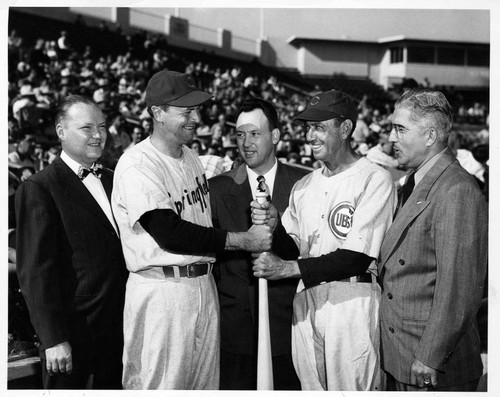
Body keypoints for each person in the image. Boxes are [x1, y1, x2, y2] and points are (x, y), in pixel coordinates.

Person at [111, 70, 273, 390]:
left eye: (197, 109)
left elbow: (203, 225)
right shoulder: (138, 164)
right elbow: (171, 233)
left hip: (201, 286)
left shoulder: (190, 157)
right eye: (186, 111)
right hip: (162, 291)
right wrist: (245, 240)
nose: (196, 118)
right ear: (157, 113)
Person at [251, 90, 396, 390]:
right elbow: (292, 248)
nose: (310, 135)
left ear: (345, 129)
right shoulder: (304, 185)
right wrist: (275, 225)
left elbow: (356, 256)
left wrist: (288, 269)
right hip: (307, 300)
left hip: (351, 300)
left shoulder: (374, 178)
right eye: (307, 127)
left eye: (319, 126)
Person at [15, 95, 128, 389]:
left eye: (102, 126)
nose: (98, 135)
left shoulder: (115, 179)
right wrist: (53, 339)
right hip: (72, 336)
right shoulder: (39, 187)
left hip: (120, 330)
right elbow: (36, 272)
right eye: (86, 128)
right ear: (61, 131)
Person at [379, 88, 487, 391]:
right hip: (400, 355)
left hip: (431, 366)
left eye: (400, 129)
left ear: (429, 136)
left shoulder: (456, 190)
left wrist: (430, 356)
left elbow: (459, 288)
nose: (391, 137)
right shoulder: (414, 183)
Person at [209, 98, 307, 390]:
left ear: (275, 136)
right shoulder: (217, 188)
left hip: (290, 327)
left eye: (254, 133)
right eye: (240, 134)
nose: (245, 142)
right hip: (235, 333)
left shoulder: (305, 184)